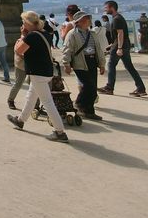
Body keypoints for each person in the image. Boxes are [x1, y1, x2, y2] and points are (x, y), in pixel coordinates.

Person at [7, 11, 69, 143]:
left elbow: (18, 50)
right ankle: (20, 120)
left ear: (28, 23)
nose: (22, 25)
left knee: (47, 102)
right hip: (46, 71)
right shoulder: (45, 34)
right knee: (31, 97)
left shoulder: (31, 36)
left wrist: (23, 35)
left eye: (24, 22)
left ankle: (60, 132)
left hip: (37, 72)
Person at [61, 11, 105, 120]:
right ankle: (79, 104)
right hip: (80, 62)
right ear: (78, 22)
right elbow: (67, 49)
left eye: (88, 19)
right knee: (88, 85)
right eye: (85, 19)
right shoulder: (72, 34)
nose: (88, 21)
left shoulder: (92, 33)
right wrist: (66, 63)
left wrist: (102, 64)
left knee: (93, 88)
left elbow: (98, 50)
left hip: (92, 61)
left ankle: (89, 111)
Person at [98, 0, 146, 97]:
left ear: (112, 7)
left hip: (120, 46)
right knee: (129, 66)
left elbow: (121, 33)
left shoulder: (117, 19)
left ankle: (109, 87)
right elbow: (118, 35)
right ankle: (141, 88)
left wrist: (119, 48)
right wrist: (111, 44)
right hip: (121, 45)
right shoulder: (117, 18)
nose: (105, 10)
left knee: (111, 65)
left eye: (106, 8)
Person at [7, 23, 28, 110]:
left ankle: (36, 104)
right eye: (23, 27)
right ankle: (10, 100)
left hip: (30, 65)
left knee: (34, 85)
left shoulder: (31, 38)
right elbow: (19, 53)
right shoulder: (20, 40)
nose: (25, 29)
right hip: (21, 65)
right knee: (18, 83)